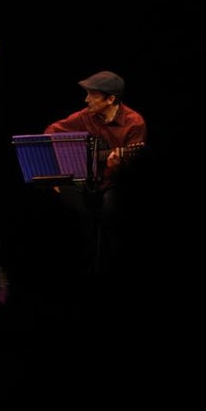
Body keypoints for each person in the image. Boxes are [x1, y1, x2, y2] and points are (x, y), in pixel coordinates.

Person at [43, 70, 147, 275]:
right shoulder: (85, 116)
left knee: (111, 211)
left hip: (115, 183)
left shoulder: (134, 123)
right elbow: (50, 132)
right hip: (87, 182)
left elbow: (135, 169)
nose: (86, 99)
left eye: (92, 95)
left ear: (111, 99)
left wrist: (115, 164)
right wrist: (57, 171)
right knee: (60, 203)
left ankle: (107, 270)